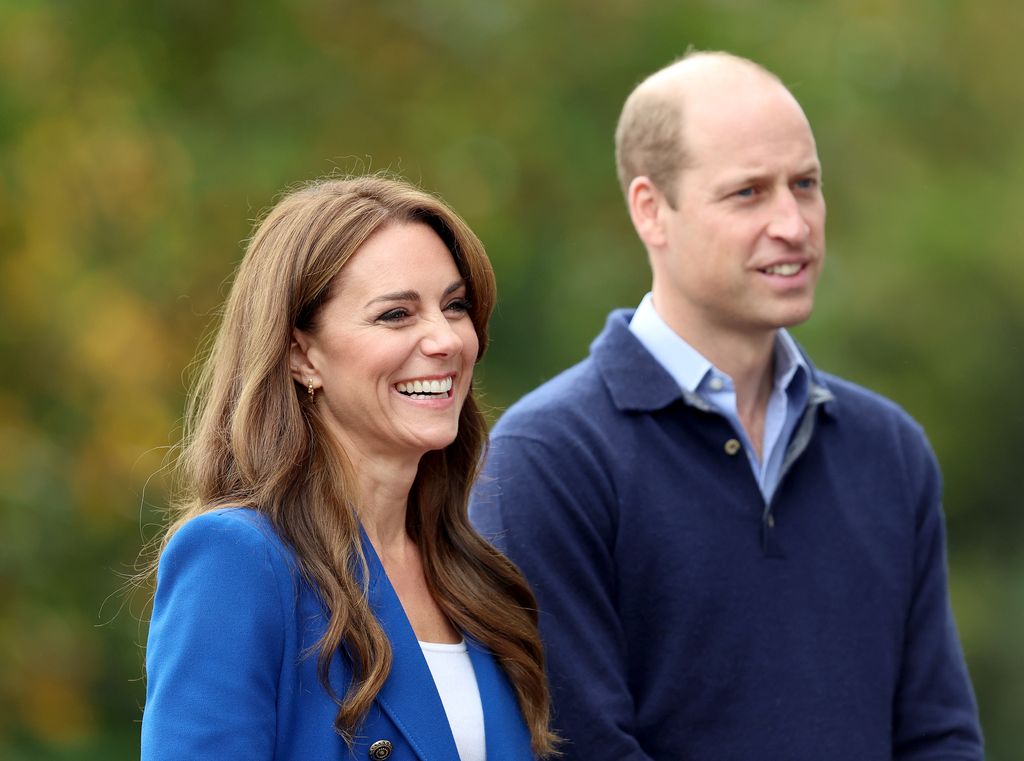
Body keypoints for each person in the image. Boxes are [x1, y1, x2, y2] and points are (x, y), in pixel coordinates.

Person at [469, 51, 983, 760]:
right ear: (652, 210)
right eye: (749, 193)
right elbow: (575, 745)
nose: (794, 224)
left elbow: (938, 735)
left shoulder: (888, 450)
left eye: (805, 184)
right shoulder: (548, 458)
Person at [141, 175, 557, 760]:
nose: (445, 339)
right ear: (300, 354)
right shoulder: (238, 560)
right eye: (395, 314)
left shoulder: (476, 577)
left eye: (455, 305)